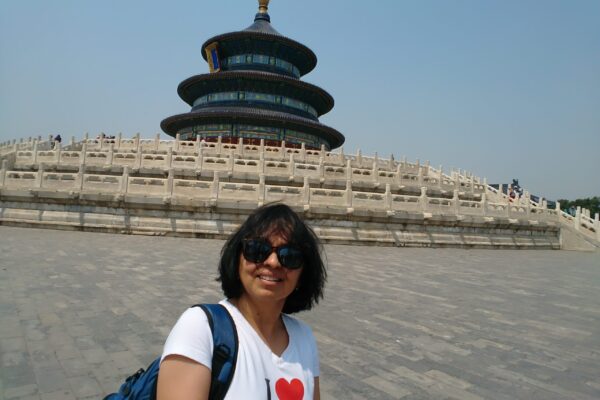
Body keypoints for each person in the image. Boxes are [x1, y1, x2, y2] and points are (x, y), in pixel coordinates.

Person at [157, 203, 326, 400]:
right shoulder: (199, 328)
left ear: (303, 272)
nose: (273, 262)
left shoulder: (303, 338)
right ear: (237, 258)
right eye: (257, 249)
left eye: (290, 256)